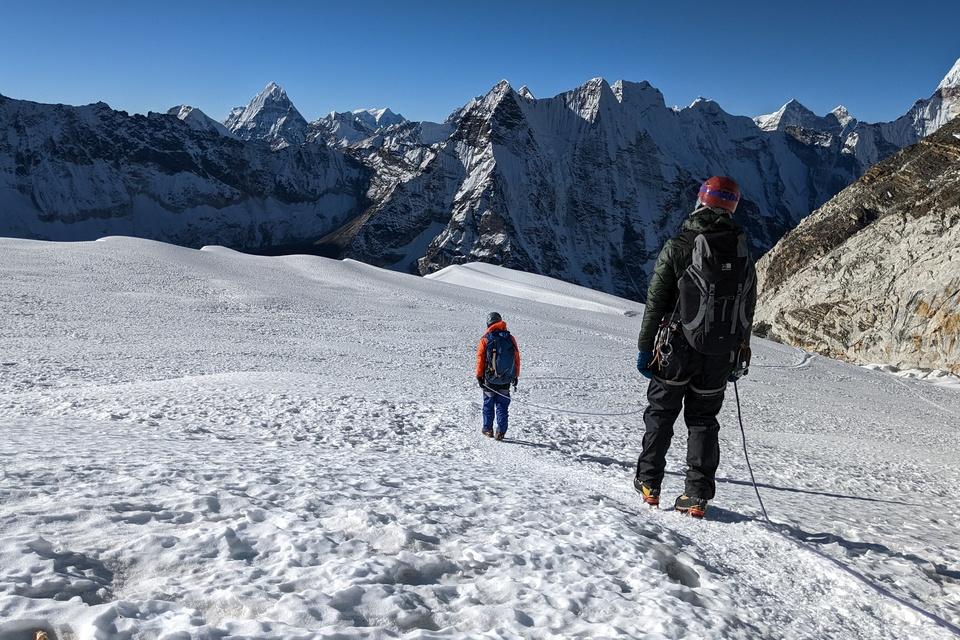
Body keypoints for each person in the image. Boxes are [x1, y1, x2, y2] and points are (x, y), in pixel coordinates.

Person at [634, 176, 756, 518]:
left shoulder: (679, 244)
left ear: (700, 201)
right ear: (732, 206)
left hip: (675, 349)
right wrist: (738, 353)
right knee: (703, 420)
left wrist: (646, 349)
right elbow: (747, 307)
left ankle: (649, 483)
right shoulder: (743, 248)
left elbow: (656, 302)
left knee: (661, 414)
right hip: (718, 355)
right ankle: (697, 496)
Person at [475, 312, 521, 441]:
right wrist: (515, 375)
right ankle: (501, 431)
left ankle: (488, 429)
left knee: (488, 404)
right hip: (505, 379)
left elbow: (480, 359)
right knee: (502, 406)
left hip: (489, 379)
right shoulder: (510, 338)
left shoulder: (485, 339)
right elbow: (516, 358)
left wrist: (479, 376)